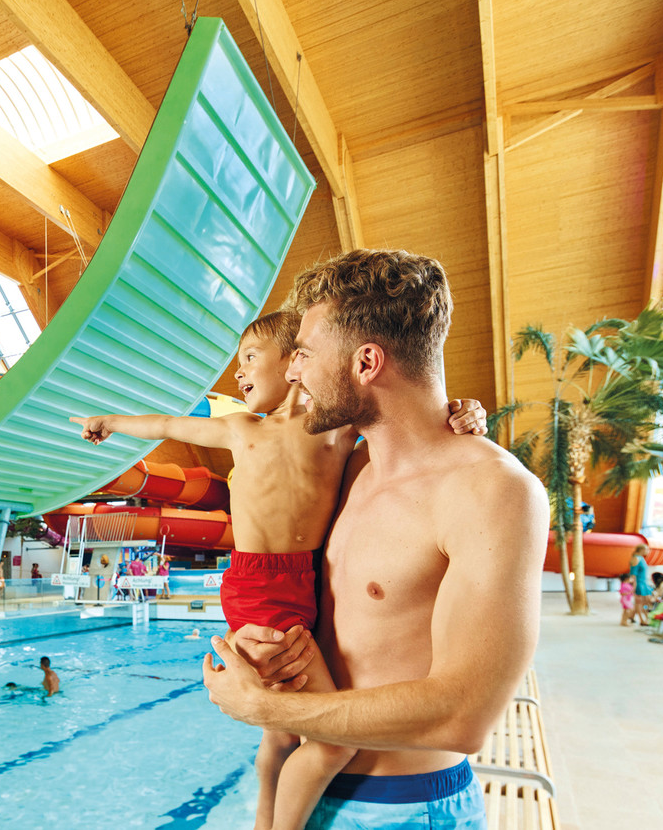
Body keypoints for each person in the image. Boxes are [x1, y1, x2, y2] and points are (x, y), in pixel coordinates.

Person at [77, 305, 488, 830]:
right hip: (259, 587)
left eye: (250, 357)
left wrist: (464, 410)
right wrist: (108, 423)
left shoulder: (338, 432)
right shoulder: (239, 429)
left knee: (279, 734)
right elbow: (165, 423)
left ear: (296, 360)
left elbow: (405, 420)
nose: (238, 372)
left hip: (300, 581)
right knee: (331, 745)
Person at [201, 249, 548, 830]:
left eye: (305, 354)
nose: (292, 371)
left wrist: (267, 707)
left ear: (366, 362)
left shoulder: (491, 490)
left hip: (404, 809)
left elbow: (464, 716)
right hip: (311, 791)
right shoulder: (350, 469)